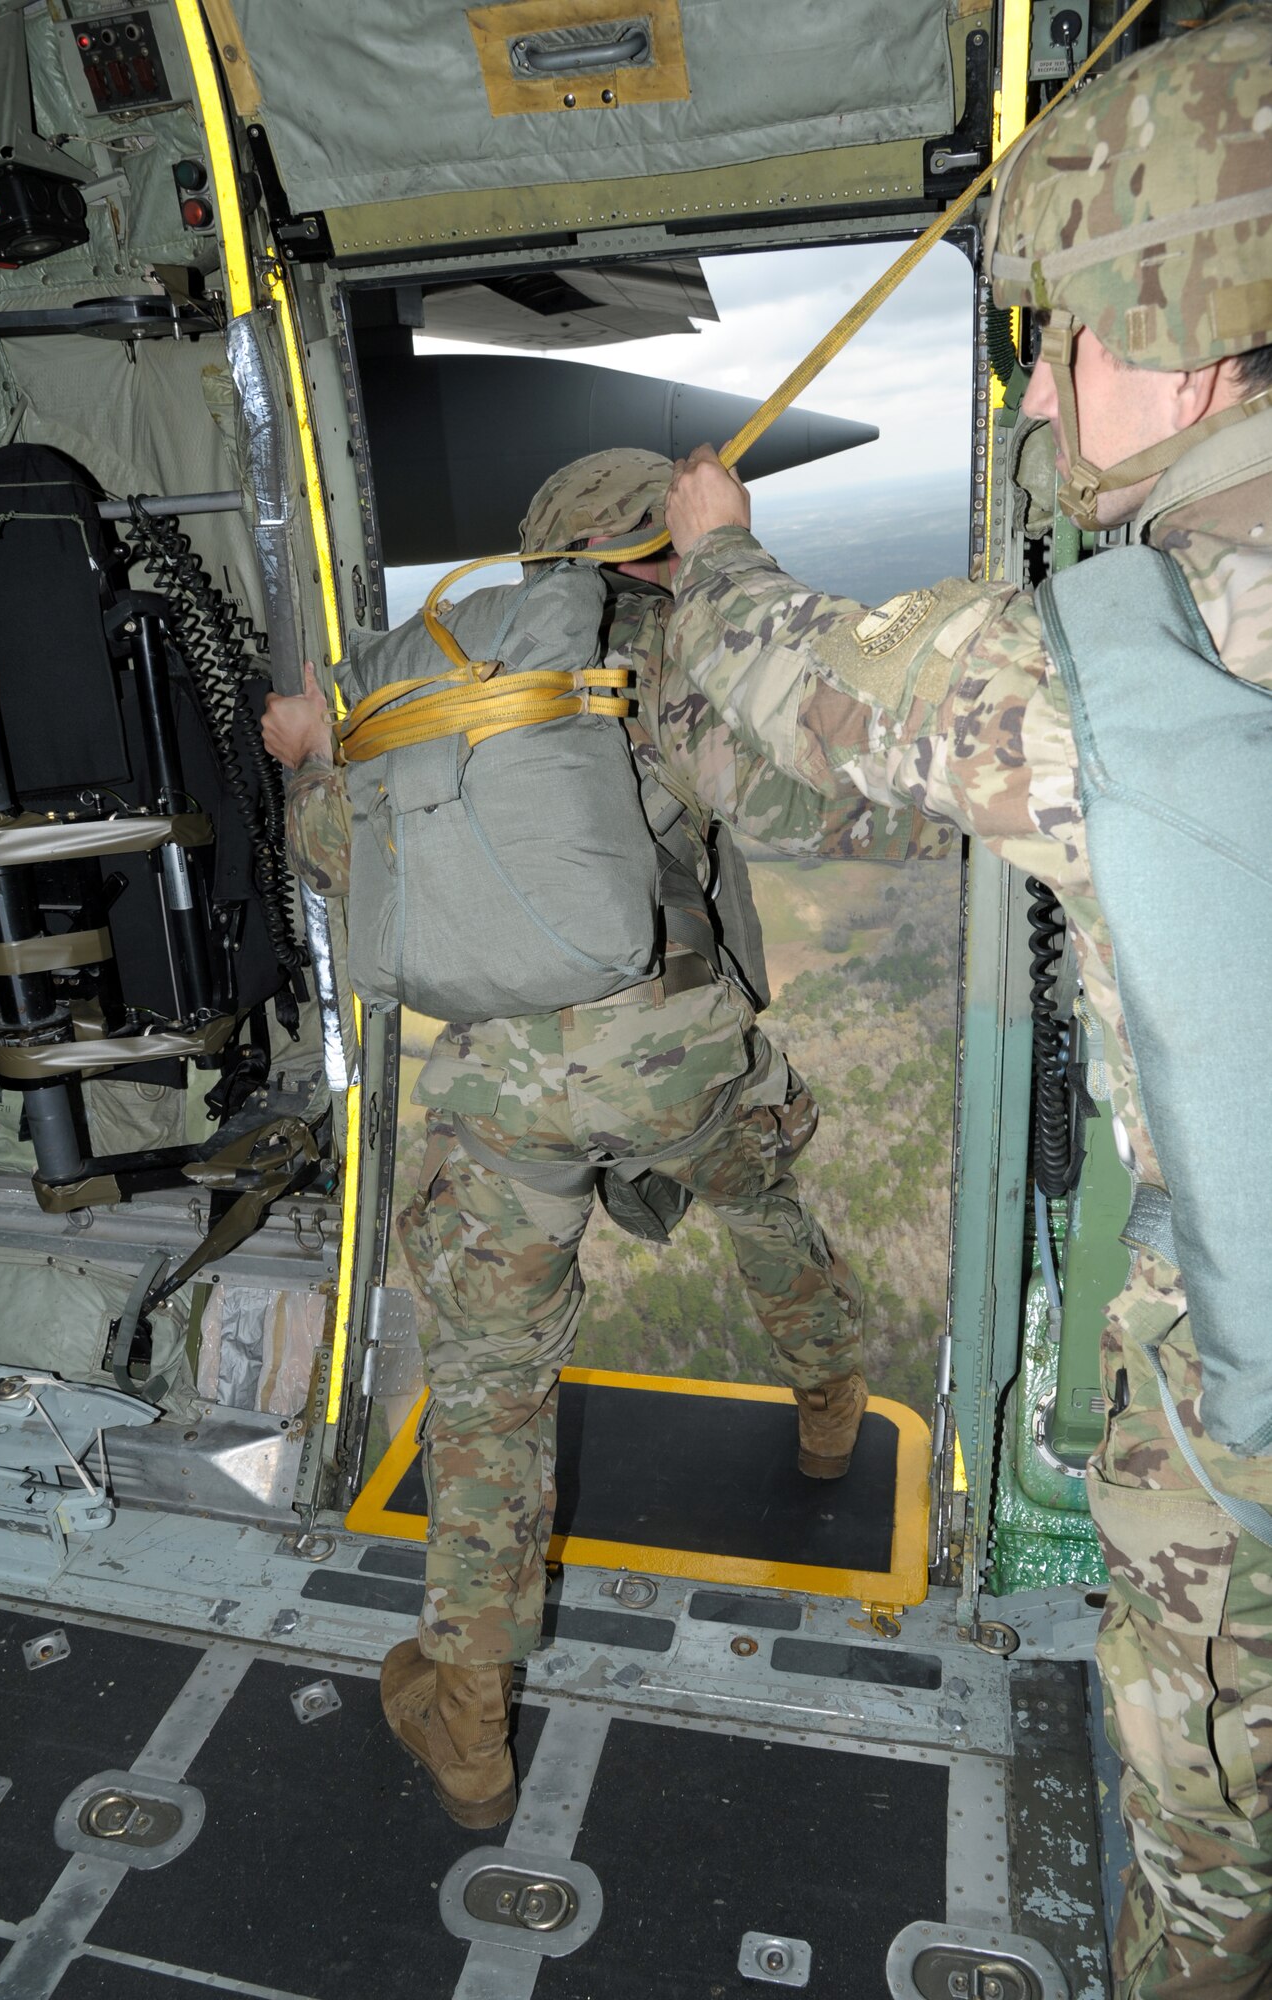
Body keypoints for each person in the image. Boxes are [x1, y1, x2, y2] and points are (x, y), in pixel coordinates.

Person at [661, 11, 1272, 1993]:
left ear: (1174, 344)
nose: (1033, 380)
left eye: (1053, 336)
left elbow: (797, 677)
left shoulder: (1129, 674)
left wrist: (715, 551)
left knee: (1206, 1868)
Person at [261, 447, 950, 1830]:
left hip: (503, 1081)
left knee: (488, 1383)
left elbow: (338, 852)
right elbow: (805, 812)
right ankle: (828, 1414)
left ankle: (467, 1716)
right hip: (675, 1056)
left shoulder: (435, 673)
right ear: (651, 556)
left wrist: (320, 759)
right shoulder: (668, 667)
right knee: (761, 1207)